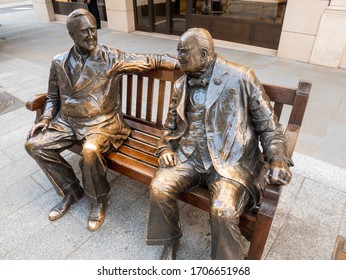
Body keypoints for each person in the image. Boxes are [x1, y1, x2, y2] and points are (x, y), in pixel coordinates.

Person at [145, 28, 292, 260]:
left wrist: (279, 159)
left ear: (204, 54)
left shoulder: (242, 77)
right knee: (159, 188)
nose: (178, 58)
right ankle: (169, 240)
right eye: (178, 53)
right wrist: (164, 148)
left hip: (229, 162)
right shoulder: (182, 84)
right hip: (188, 156)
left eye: (184, 53)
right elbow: (170, 126)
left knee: (222, 211)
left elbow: (269, 126)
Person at [25, 8, 177, 232]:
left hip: (103, 124)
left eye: (93, 30)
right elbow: (54, 96)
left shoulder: (110, 57)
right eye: (84, 32)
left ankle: (98, 200)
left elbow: (149, 60)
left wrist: (185, 63)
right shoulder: (59, 62)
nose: (91, 36)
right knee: (35, 145)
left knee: (90, 150)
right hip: (67, 122)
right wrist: (46, 117)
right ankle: (71, 190)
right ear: (72, 35)